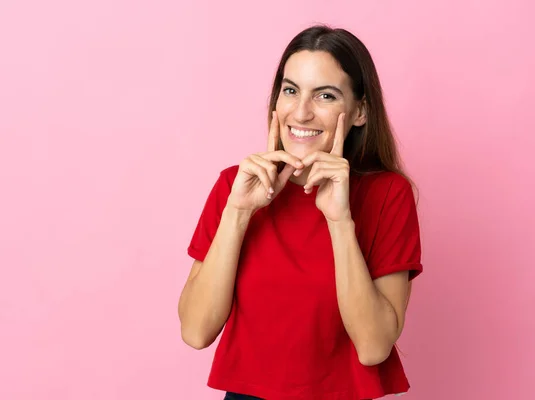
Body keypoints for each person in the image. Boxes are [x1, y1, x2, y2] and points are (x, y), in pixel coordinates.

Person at [178, 24, 423, 400]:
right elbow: (196, 331)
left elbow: (374, 347)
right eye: (290, 90)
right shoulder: (235, 186)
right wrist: (239, 213)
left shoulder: (388, 195)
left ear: (359, 111)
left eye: (325, 95)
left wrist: (340, 222)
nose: (302, 112)